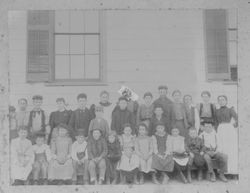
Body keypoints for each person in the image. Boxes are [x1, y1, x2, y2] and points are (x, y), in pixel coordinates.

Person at [216, 95, 238, 174]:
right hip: (220, 129)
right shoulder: (217, 111)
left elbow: (237, 118)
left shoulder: (230, 110)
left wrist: (234, 126)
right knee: (222, 147)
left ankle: (232, 170)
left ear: (226, 101)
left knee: (230, 148)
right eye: (220, 100)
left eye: (223, 100)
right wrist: (216, 130)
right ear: (218, 102)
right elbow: (215, 122)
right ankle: (223, 170)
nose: (221, 101)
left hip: (229, 129)